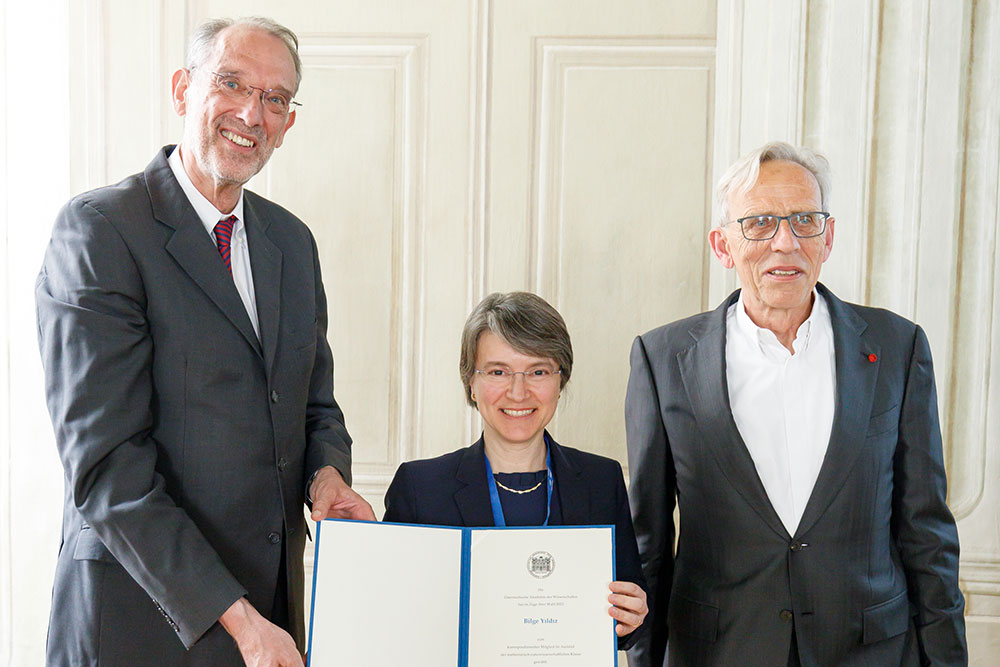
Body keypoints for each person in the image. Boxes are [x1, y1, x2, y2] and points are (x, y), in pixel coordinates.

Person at [35, 16, 374, 667]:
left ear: (288, 123)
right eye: (232, 83)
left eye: (275, 98)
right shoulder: (101, 230)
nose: (252, 113)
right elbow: (107, 467)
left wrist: (326, 476)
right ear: (183, 90)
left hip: (269, 617)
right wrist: (239, 620)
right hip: (139, 622)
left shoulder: (291, 242)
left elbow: (313, 404)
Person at [624, 142, 967, 666]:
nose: (785, 242)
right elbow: (647, 543)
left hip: (870, 652)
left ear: (827, 238)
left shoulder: (898, 348)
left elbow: (928, 534)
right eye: (759, 223)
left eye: (804, 220)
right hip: (719, 652)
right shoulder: (663, 359)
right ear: (723, 245)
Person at [383, 291, 649, 647]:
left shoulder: (602, 480)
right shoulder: (420, 487)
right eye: (498, 372)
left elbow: (621, 624)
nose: (518, 392)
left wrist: (632, 618)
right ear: (471, 383)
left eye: (538, 371)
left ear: (560, 381)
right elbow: (391, 622)